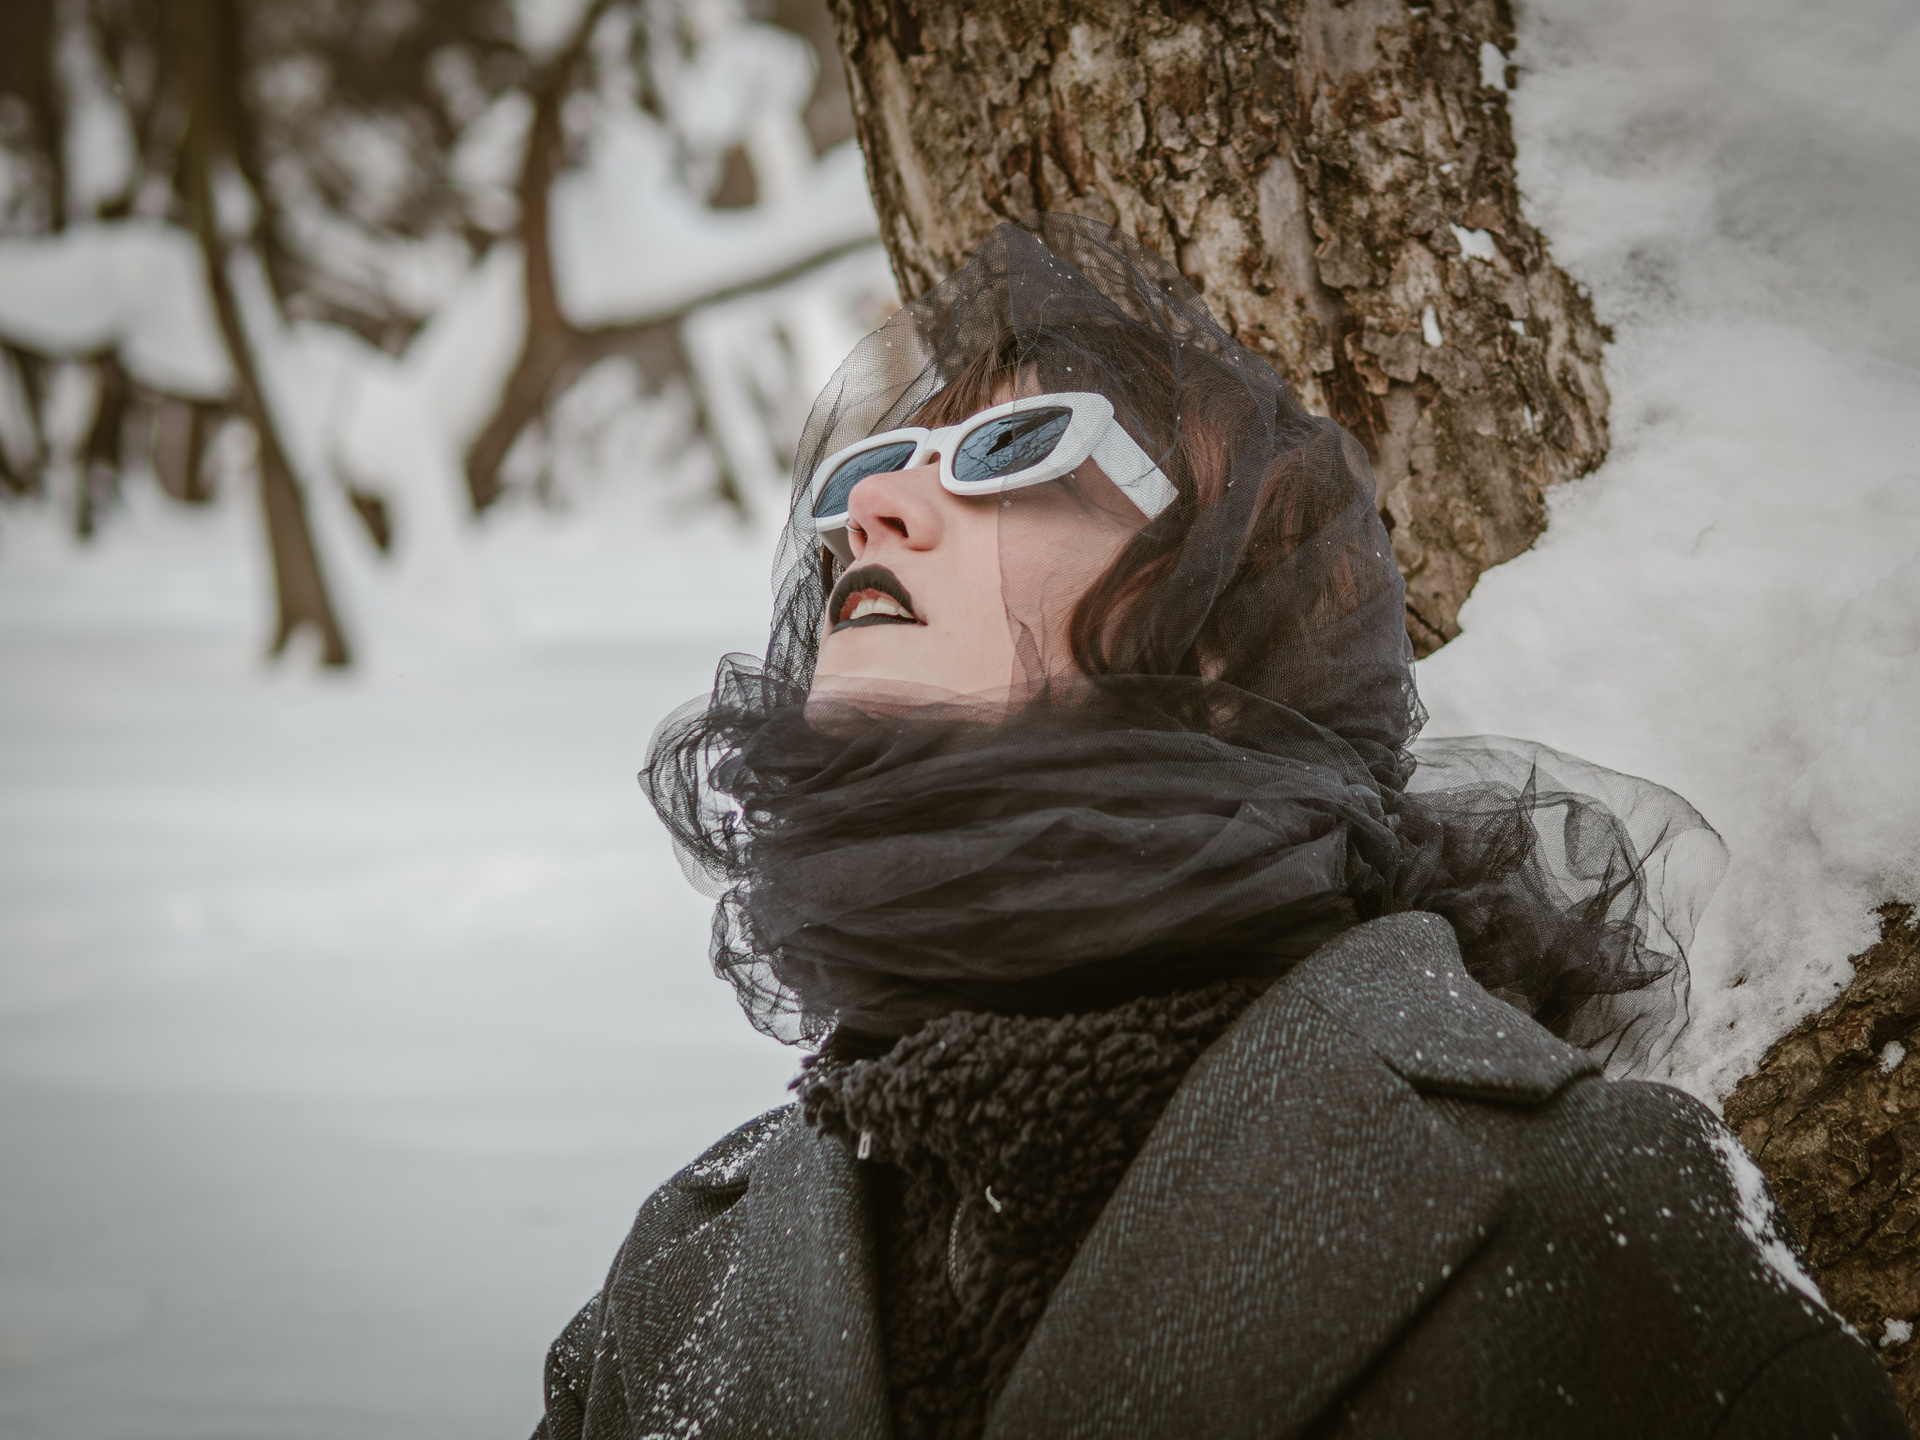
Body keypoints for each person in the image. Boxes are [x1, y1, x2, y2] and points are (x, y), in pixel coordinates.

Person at [531, 216, 1907, 1439]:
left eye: (1013, 451)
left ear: (1223, 658)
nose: (877, 509)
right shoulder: (677, 1279)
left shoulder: (1598, 1224)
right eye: (869, 471)